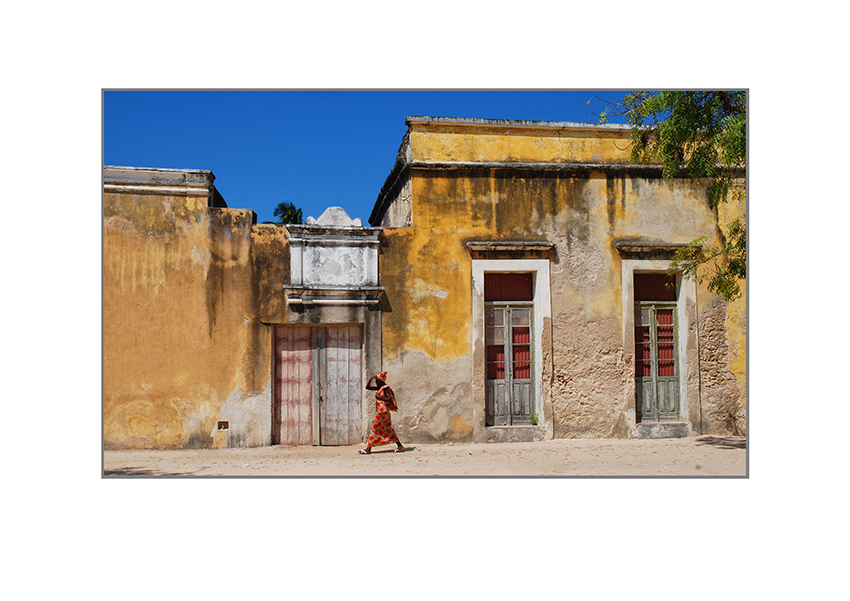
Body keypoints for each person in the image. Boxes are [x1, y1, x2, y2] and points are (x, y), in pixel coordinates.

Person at [360, 371, 405, 454]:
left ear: (380, 380)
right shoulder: (380, 387)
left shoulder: (385, 388)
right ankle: (399, 445)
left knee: (374, 428)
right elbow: (368, 387)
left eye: (376, 379)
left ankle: (368, 449)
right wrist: (371, 379)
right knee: (387, 429)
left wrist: (379, 397)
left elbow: (390, 399)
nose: (376, 381)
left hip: (382, 413)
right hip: (382, 412)